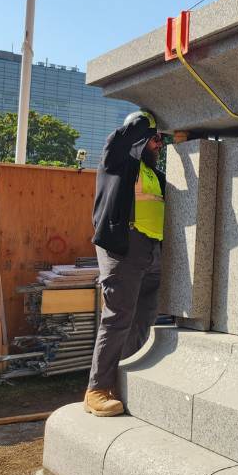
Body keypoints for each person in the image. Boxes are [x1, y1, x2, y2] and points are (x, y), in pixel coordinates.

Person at [84, 110, 165, 417]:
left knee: (143, 319)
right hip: (123, 249)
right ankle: (96, 389)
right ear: (141, 136)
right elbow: (125, 136)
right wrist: (148, 120)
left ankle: (122, 380)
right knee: (117, 317)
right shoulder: (117, 160)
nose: (159, 144)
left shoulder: (152, 173)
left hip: (150, 252)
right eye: (155, 139)